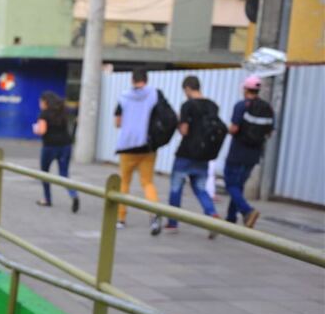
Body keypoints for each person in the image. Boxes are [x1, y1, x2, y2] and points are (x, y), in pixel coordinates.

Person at [165, 76, 221, 237]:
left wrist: (177, 122)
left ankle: (172, 222)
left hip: (186, 153)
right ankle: (212, 216)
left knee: (176, 188)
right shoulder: (212, 106)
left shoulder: (187, 106)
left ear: (188, 88)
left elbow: (184, 131)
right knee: (201, 188)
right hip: (204, 154)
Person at [114, 67, 162, 235]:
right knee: (147, 182)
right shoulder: (154, 95)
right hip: (148, 147)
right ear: (146, 80)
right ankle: (154, 216)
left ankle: (121, 218)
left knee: (124, 183)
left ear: (132, 80)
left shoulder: (124, 97)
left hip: (127, 147)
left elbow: (117, 122)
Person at [224, 75, 274, 228]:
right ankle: (231, 218)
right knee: (238, 185)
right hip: (254, 154)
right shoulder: (268, 107)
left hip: (238, 152)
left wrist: (225, 130)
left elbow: (234, 129)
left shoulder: (241, 106)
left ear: (245, 89)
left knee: (230, 184)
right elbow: (269, 133)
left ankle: (248, 211)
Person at [32, 91, 80, 213]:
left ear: (45, 102)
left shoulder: (44, 114)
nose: (40, 104)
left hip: (50, 146)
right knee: (64, 173)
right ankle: (73, 194)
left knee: (45, 173)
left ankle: (47, 199)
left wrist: (36, 129)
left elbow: (42, 130)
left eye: (41, 102)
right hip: (65, 146)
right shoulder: (63, 111)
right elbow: (76, 113)